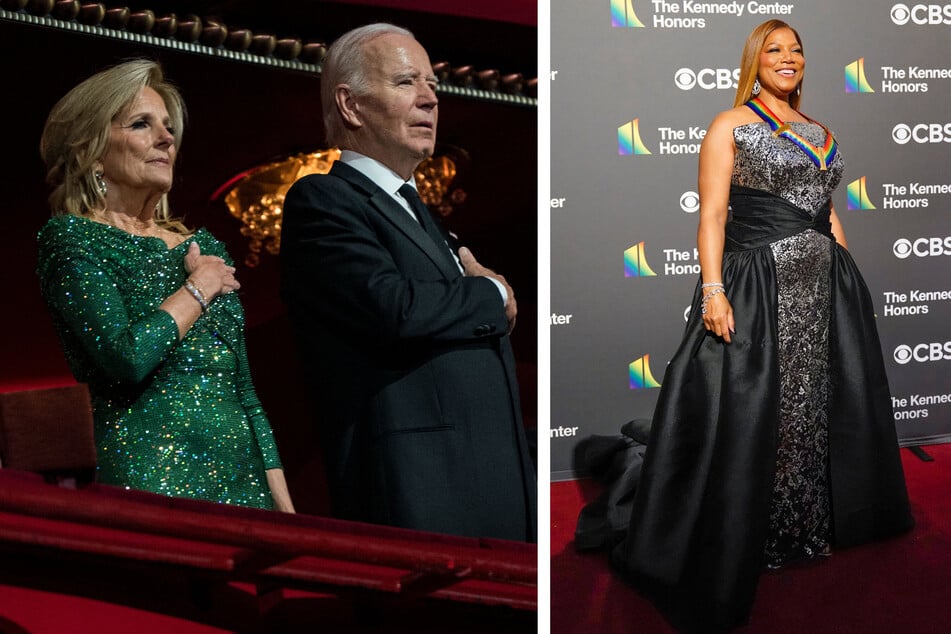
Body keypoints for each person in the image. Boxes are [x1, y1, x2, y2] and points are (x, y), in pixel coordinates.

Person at [583, 20, 913, 631]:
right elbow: (711, 215)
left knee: (813, 406)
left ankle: (809, 524)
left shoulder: (820, 132)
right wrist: (713, 291)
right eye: (774, 51)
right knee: (756, 409)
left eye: (796, 50)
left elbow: (825, 210)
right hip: (758, 288)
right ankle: (751, 534)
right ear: (754, 62)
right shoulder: (730, 125)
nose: (787, 59)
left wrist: (852, 278)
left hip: (824, 290)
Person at [280, 23, 536, 541]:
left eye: (433, 85)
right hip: (422, 493)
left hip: (497, 485)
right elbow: (392, 307)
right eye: (406, 83)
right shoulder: (325, 202)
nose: (430, 99)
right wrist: (492, 293)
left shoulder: (423, 214)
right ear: (350, 106)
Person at [36, 60, 294, 513]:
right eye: (141, 124)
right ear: (91, 152)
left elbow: (244, 388)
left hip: (243, 480)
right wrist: (198, 287)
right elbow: (125, 358)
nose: (166, 138)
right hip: (152, 472)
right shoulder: (72, 239)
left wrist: (283, 505)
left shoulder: (205, 247)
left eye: (169, 128)